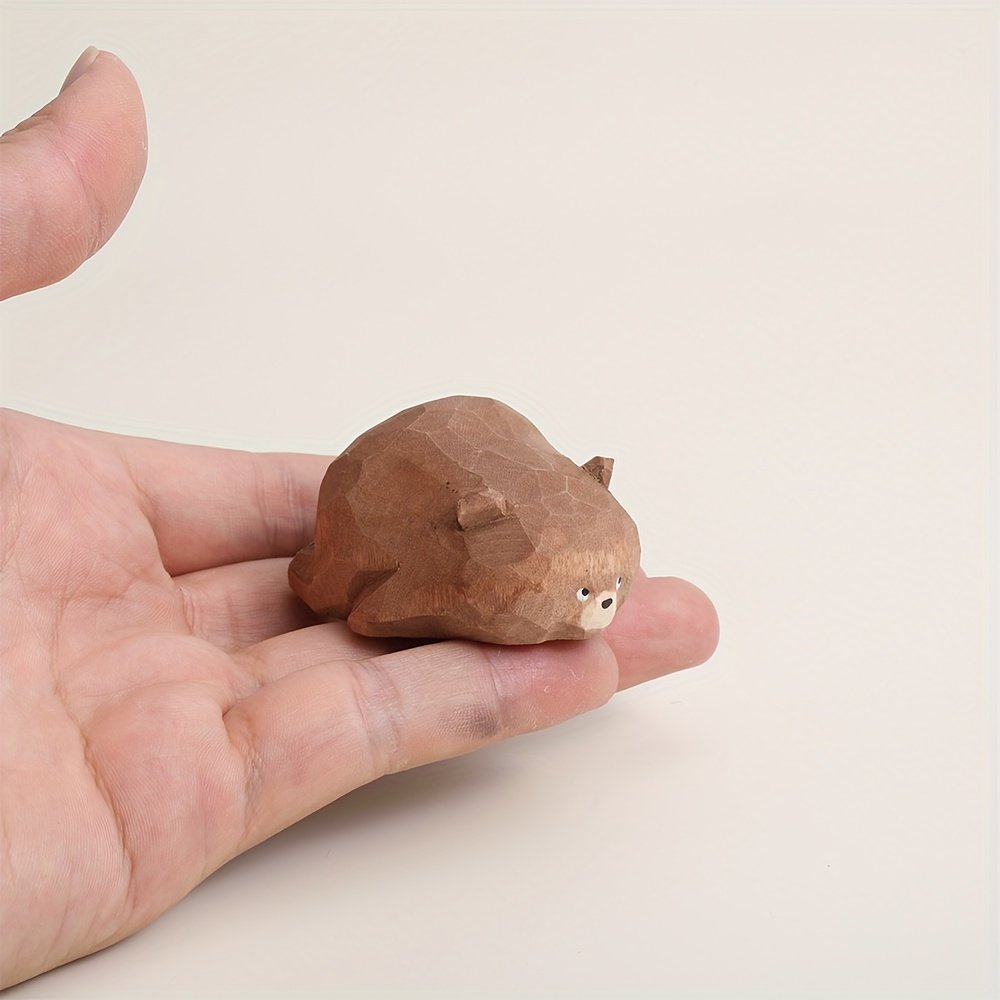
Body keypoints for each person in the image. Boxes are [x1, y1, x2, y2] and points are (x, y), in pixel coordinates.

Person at [0, 48, 719, 988]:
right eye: (588, 593)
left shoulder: (541, 512)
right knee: (353, 589)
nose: (603, 608)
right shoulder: (453, 543)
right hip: (392, 506)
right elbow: (382, 603)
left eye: (605, 588)